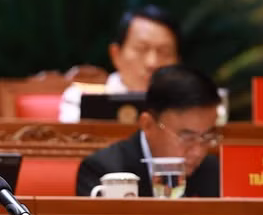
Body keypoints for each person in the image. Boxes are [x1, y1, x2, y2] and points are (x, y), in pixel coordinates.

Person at [76, 65, 222, 197]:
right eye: (187, 137)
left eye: (207, 136)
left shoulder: (214, 171)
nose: (199, 152)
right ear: (148, 125)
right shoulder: (104, 170)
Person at [59, 5, 180, 122]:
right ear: (116, 54)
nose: (152, 63)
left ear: (177, 61)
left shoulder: (188, 105)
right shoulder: (83, 97)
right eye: (141, 49)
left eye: (164, 52)